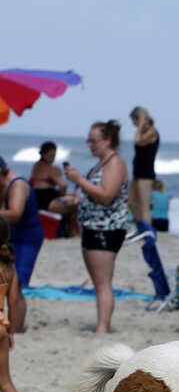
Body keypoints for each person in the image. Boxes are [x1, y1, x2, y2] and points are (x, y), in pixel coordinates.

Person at [65, 119, 130, 335]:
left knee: (102, 282)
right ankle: (101, 325)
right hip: (95, 226)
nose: (90, 145)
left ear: (107, 140)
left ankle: (102, 328)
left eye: (94, 140)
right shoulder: (102, 162)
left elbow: (106, 195)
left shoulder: (114, 163)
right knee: (99, 281)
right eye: (88, 140)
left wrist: (78, 180)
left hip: (106, 228)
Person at [127, 106, 170, 301]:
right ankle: (139, 228)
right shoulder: (144, 130)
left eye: (135, 121)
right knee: (131, 202)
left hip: (146, 173)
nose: (135, 125)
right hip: (137, 171)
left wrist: (142, 125)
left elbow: (137, 141)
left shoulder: (151, 131)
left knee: (144, 207)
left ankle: (148, 234)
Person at [0, 156, 44, 333]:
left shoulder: (17, 184)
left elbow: (15, 214)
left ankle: (15, 330)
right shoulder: (3, 183)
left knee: (16, 285)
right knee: (10, 282)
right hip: (11, 235)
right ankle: (15, 326)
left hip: (27, 237)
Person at [0, 219, 28, 392]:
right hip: (1, 324)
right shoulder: (9, 267)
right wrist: (10, 331)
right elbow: (14, 300)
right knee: (5, 381)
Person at [29, 141, 78, 237]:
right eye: (51, 155)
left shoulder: (36, 165)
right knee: (73, 207)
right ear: (43, 154)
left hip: (36, 197)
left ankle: (64, 231)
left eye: (54, 155)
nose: (53, 158)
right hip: (46, 198)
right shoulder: (52, 169)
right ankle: (72, 233)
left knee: (68, 201)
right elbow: (63, 185)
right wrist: (63, 196)